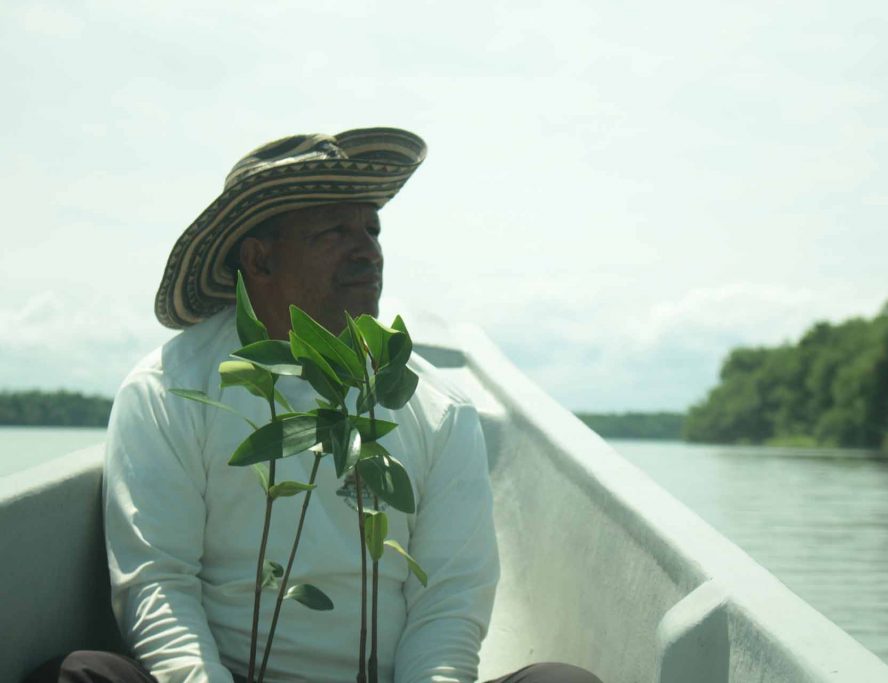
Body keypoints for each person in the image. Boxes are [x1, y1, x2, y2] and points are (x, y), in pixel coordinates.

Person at [26, 129, 601, 683]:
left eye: (372, 230)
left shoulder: (435, 405)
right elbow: (158, 582)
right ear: (260, 260)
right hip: (223, 675)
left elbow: (448, 598)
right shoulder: (169, 388)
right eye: (333, 232)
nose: (368, 251)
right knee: (74, 674)